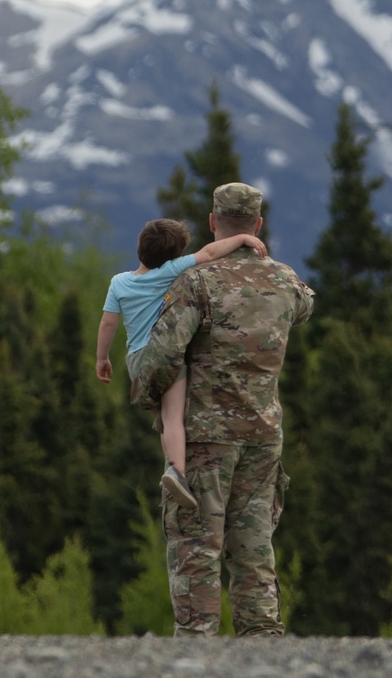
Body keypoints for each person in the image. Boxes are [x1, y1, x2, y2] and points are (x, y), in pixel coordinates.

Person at [132, 182, 314, 637]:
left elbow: (162, 356)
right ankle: (264, 651)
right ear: (258, 225)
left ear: (213, 223)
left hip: (204, 440)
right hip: (263, 438)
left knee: (198, 549)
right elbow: (306, 306)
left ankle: (198, 655)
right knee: (254, 552)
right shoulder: (286, 281)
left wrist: (148, 398)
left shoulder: (196, 282)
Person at [96, 217, 267, 509]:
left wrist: (102, 358)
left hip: (137, 361)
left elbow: (108, 323)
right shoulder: (170, 271)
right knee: (175, 416)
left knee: (165, 417)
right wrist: (242, 239)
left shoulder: (119, 283)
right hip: (165, 354)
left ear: (140, 248)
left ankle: (171, 459)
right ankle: (177, 470)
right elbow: (210, 253)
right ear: (173, 256)